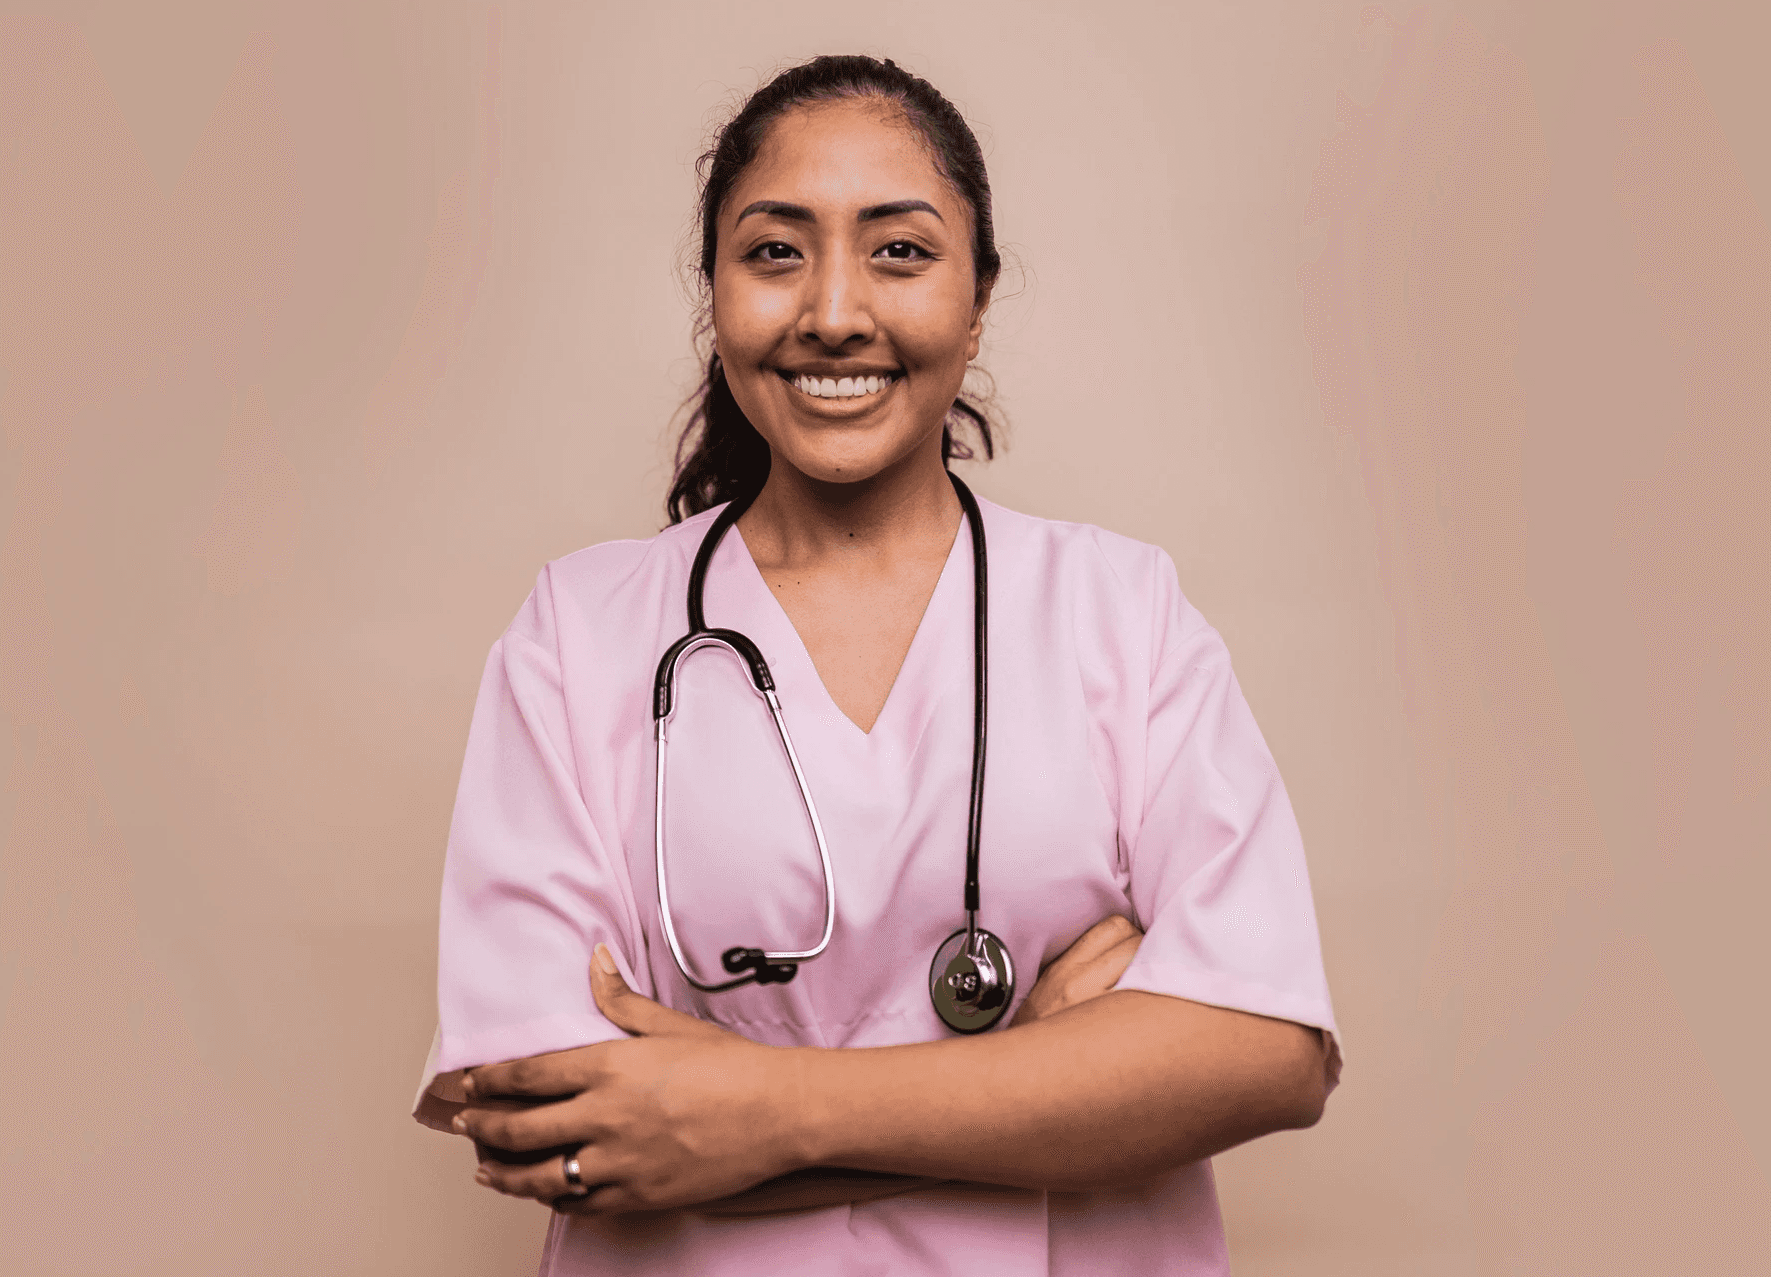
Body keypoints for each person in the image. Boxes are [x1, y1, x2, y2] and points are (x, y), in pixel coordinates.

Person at [413, 53, 1340, 1276]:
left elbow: (1267, 1053)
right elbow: (537, 1117)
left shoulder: (1122, 612)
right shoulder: (579, 633)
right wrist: (1067, 1076)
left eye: (898, 250)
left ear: (977, 296)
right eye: (775, 252)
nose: (835, 311)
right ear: (713, 291)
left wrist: (752, 1107)